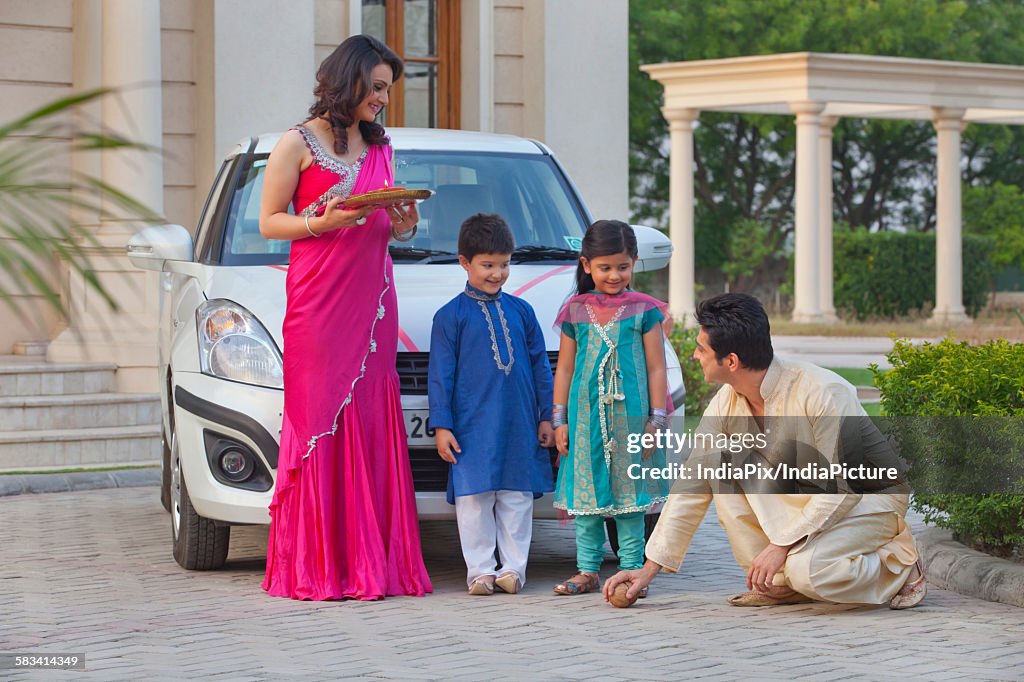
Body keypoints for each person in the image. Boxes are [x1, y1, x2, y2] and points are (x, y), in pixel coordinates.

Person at [603, 293, 926, 609]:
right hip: (809, 493)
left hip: (869, 499)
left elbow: (844, 487)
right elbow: (693, 483)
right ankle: (782, 585)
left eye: (701, 349)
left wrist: (781, 545)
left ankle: (897, 564)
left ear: (731, 361)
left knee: (809, 573)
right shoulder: (727, 402)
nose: (694, 356)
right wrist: (648, 569)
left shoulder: (824, 391)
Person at [258, 34, 432, 601]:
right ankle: (318, 566)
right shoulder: (296, 143)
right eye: (377, 87)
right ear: (350, 80)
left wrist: (404, 223)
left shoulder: (380, 146)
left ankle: (367, 564)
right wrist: (321, 224)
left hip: (374, 300)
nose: (383, 98)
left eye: (388, 90)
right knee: (319, 418)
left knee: (367, 415)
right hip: (317, 303)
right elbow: (268, 222)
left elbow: (388, 226)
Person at [427, 214, 556, 595]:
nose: (497, 273)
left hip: (518, 423)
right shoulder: (450, 317)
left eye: (503, 264)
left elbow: (539, 368)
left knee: (516, 499)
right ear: (464, 263)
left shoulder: (522, 312)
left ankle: (514, 570)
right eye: (487, 265)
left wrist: (547, 416)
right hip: (470, 426)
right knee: (474, 499)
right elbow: (441, 376)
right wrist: (443, 426)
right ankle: (480, 571)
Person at [551, 220, 671, 595]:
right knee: (586, 498)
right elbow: (566, 368)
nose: (615, 275)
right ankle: (587, 570)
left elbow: (655, 367)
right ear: (586, 265)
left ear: (634, 262)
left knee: (629, 499)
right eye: (605, 267)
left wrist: (656, 420)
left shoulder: (644, 311)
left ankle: (633, 569)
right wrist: (559, 419)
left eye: (623, 266)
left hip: (631, 420)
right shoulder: (575, 310)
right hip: (585, 420)